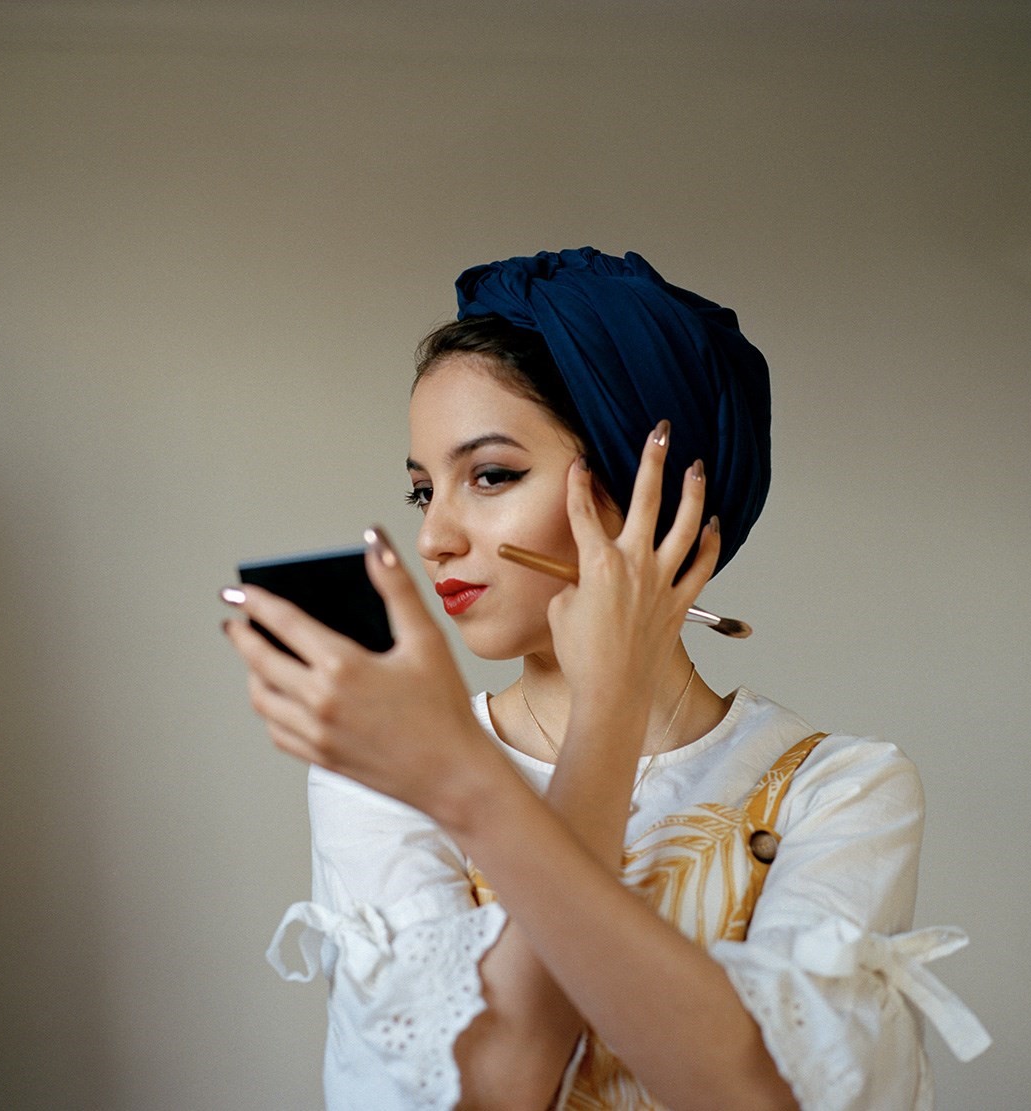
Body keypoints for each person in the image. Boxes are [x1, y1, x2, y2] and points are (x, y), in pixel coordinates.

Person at [222, 247, 989, 1110]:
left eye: (491, 475)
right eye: (422, 491)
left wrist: (588, 718)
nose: (434, 537)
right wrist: (592, 723)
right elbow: (490, 1091)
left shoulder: (841, 790)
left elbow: (758, 1098)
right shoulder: (388, 770)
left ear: (643, 494)